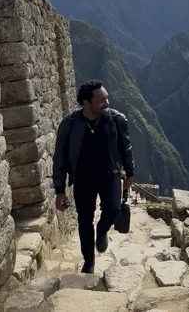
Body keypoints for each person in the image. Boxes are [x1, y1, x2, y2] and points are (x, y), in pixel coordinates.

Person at [52, 79, 135, 274]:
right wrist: (60, 190)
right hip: (83, 179)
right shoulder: (70, 124)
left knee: (114, 210)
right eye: (101, 100)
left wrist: (130, 173)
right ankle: (88, 260)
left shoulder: (116, 120)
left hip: (110, 175)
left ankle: (103, 229)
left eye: (107, 98)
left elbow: (126, 148)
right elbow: (60, 157)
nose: (107, 103)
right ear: (87, 103)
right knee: (84, 220)